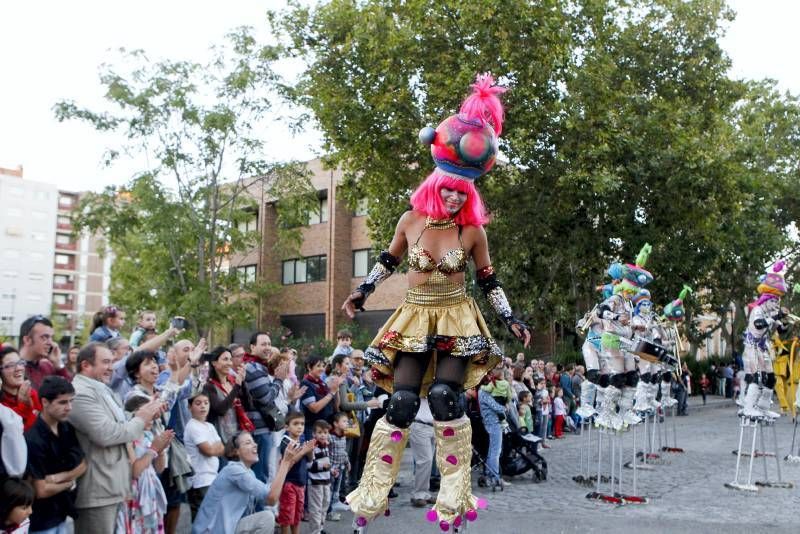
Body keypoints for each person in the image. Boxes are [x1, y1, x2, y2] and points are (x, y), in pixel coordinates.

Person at [342, 74, 530, 531]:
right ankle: (373, 488)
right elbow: (388, 260)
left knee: (447, 398)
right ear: (435, 184)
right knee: (401, 404)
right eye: (445, 187)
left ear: (468, 192)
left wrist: (509, 316)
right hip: (414, 316)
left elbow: (488, 280)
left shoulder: (472, 231)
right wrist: (363, 291)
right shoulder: (411, 220)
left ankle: (454, 490)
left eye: (459, 191)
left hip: (457, 317)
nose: (451, 195)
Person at [68, 342, 164, 534]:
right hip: (98, 490)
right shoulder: (80, 392)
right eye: (105, 362)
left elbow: (122, 427)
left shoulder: (102, 389)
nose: (111, 367)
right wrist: (141, 418)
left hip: (114, 487)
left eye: (112, 362)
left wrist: (143, 415)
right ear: (86, 365)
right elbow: (106, 434)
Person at [191, 430, 313, 534]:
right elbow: (272, 499)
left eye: (254, 442)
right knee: (266, 518)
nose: (255, 445)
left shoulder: (247, 472)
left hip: (225, 529)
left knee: (265, 516)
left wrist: (287, 464)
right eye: (248, 443)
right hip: (211, 531)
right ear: (235, 451)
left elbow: (267, 494)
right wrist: (285, 463)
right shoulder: (234, 470)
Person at [24, 376, 86, 534]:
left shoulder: (66, 428)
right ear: (45, 402)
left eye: (71, 401)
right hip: (41, 520)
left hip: (62, 512)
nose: (69, 407)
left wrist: (57, 478)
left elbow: (83, 465)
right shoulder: (33, 439)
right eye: (62, 402)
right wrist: (70, 482)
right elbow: (41, 490)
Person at [739, 261, 787, 420]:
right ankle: (747, 408)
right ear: (766, 299)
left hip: (763, 349)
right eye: (773, 301)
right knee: (756, 377)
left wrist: (782, 323)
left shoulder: (770, 314)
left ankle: (763, 407)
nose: (775, 304)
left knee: (771, 379)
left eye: (777, 302)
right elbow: (758, 325)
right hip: (752, 347)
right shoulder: (758, 310)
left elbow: (781, 332)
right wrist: (774, 318)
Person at [123, 395, 174, 534]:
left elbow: (159, 468)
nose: (154, 416)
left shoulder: (148, 436)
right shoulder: (128, 439)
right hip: (134, 495)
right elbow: (135, 471)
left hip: (150, 494)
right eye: (150, 412)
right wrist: (153, 449)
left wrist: (161, 450)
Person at [243, 332, 282, 483]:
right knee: (260, 474)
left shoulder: (261, 366)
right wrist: (279, 380)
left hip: (263, 427)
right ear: (252, 347)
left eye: (269, 343)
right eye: (263, 344)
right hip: (258, 429)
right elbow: (266, 398)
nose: (268, 348)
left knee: (263, 473)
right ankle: (260, 507)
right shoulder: (253, 368)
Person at [183, 393, 224, 520]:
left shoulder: (210, 426)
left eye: (206, 403)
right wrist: (214, 448)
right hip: (200, 481)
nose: (203, 406)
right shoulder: (192, 426)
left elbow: (222, 449)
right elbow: (209, 451)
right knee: (202, 521)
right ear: (189, 407)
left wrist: (214, 448)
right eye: (198, 403)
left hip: (212, 478)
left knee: (212, 519)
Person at [201, 346, 248, 448]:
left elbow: (248, 404)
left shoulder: (232, 382)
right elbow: (220, 410)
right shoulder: (209, 387)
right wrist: (237, 386)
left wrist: (243, 382)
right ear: (214, 363)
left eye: (230, 359)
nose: (229, 363)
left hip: (236, 438)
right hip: (220, 440)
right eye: (225, 359)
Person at [277, 412, 313, 534]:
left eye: (302, 424)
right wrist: (304, 451)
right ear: (287, 427)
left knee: (297, 516)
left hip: (301, 483)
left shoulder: (302, 440)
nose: (300, 427)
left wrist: (310, 450)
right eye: (296, 424)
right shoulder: (285, 441)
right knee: (287, 517)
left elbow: (310, 459)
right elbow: (289, 461)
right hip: (289, 483)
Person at [478, 366, 510, 489]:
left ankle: (489, 473)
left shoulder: (486, 391)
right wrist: (505, 408)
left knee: (493, 450)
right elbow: (495, 406)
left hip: (493, 422)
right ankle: (494, 476)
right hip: (492, 423)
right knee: (495, 452)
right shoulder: (483, 392)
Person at [18, 316, 70, 389]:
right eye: (45, 337)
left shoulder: (47, 366)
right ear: (27, 340)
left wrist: (58, 364)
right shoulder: (13, 369)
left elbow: (68, 393)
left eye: (51, 338)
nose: (51, 343)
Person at [300, 355, 343, 440]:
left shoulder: (322, 383)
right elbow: (314, 408)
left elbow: (336, 406)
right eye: (318, 366)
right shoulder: (306, 384)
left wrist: (336, 389)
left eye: (323, 366)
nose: (322, 369)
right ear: (309, 367)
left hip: (326, 427)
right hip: (313, 429)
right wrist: (331, 393)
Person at [1, 346, 41, 431]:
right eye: (11, 365)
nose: (19, 368)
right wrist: (24, 407)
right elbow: (14, 434)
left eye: (20, 363)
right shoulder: (2, 406)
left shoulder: (32, 394)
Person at [306, 420, 333, 534]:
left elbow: (326, 463)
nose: (323, 435)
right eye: (320, 432)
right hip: (315, 482)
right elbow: (309, 465)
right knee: (316, 508)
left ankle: (320, 528)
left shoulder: (325, 446)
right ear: (314, 434)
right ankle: (315, 531)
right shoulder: (312, 448)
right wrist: (323, 466)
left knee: (325, 505)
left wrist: (331, 470)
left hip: (326, 481)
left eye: (325, 432)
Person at [408, 398, 435, 508]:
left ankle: (424, 493)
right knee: (425, 460)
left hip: (432, 426)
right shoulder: (418, 384)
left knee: (428, 462)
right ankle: (418, 494)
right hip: (419, 424)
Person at [327, 412, 351, 517]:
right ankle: (328, 511)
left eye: (347, 421)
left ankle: (335, 504)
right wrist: (330, 468)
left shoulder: (343, 436)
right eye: (344, 421)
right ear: (336, 424)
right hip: (332, 468)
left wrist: (347, 462)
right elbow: (326, 453)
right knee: (330, 490)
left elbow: (343, 451)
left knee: (336, 489)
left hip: (341, 467)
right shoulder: (330, 437)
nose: (347, 424)